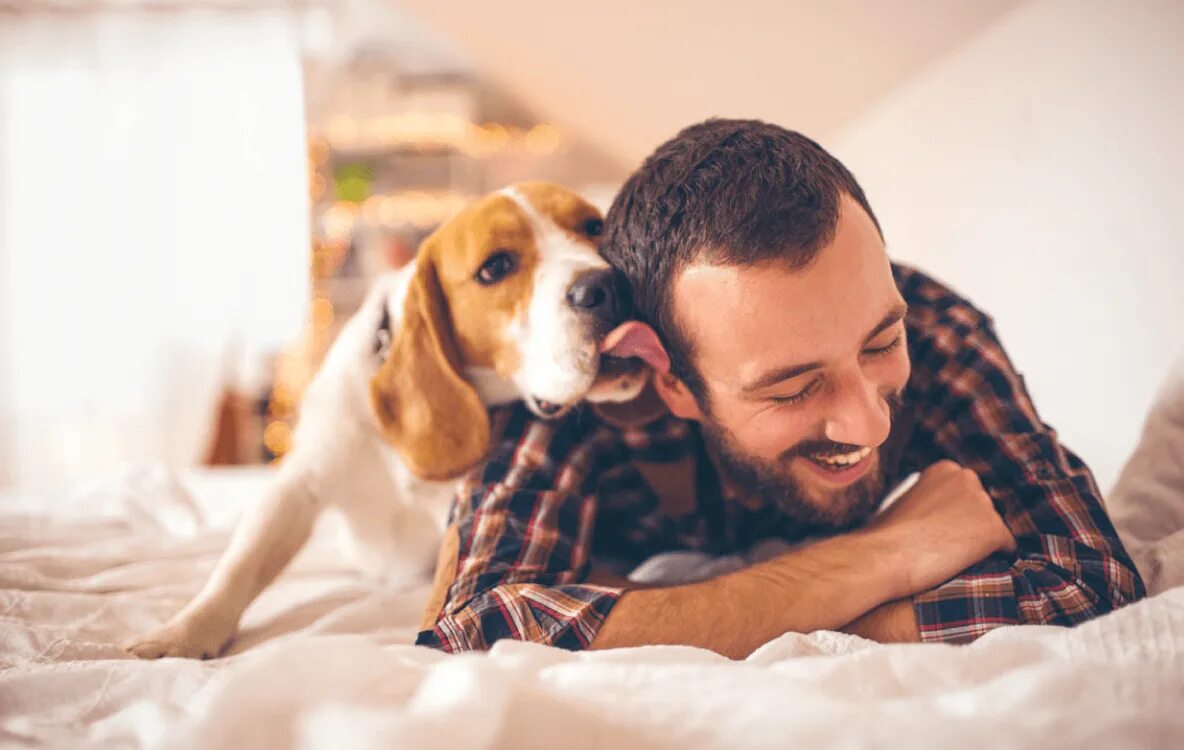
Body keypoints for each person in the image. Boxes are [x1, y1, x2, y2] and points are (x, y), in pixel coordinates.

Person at [416, 119, 1144, 658]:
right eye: (792, 390)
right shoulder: (583, 381)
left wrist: (682, 620)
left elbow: (1088, 582)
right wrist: (885, 555)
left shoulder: (935, 327)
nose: (868, 425)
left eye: (881, 345)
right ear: (669, 380)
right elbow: (473, 634)